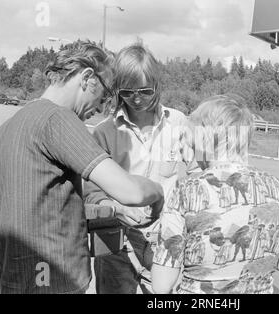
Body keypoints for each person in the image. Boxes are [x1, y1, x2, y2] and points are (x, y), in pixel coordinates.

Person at [0, 41, 164, 294]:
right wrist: (157, 191)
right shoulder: (57, 118)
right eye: (103, 96)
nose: (102, 107)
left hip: (16, 280)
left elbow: (34, 207)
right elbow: (131, 192)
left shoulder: (7, 128)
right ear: (87, 78)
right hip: (54, 281)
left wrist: (107, 212)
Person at [152, 94, 279, 294]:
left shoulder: (186, 191)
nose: (188, 146)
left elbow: (162, 285)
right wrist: (259, 251)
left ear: (204, 138)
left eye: (190, 138)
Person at [83, 41, 197, 294]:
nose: (136, 99)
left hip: (167, 243)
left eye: (144, 91)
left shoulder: (178, 123)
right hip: (116, 243)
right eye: (127, 92)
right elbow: (92, 194)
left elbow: (199, 175)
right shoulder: (104, 133)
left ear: (157, 84)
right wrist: (118, 208)